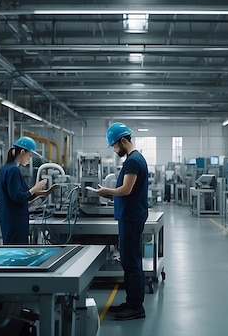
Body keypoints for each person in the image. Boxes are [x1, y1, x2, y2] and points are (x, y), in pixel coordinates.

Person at [93, 123, 148, 320]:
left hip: (131, 218)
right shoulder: (134, 159)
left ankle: (136, 307)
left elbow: (126, 190)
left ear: (123, 141)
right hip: (130, 216)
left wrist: (105, 191)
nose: (115, 150)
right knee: (128, 260)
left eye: (115, 146)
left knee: (131, 262)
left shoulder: (133, 161)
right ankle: (131, 301)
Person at [0, 136, 57, 244]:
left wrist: (43, 192)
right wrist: (36, 187)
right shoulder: (13, 170)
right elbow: (17, 197)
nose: (30, 159)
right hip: (15, 221)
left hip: (11, 220)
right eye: (29, 155)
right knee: (16, 252)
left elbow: (25, 195)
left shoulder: (7, 168)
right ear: (23, 152)